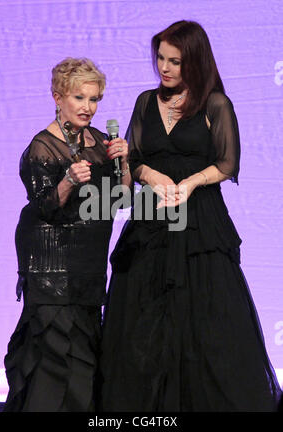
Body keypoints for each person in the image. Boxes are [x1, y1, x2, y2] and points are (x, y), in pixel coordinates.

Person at [99, 21, 282, 412]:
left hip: (199, 221)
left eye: (175, 61)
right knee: (141, 327)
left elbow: (228, 163)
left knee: (208, 327)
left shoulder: (215, 103)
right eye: (161, 59)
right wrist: (146, 172)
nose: (164, 68)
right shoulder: (146, 102)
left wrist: (192, 182)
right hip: (152, 222)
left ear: (194, 62)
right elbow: (135, 160)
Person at [3, 57, 131, 412]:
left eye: (94, 100)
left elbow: (119, 200)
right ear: (58, 97)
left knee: (84, 368)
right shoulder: (42, 147)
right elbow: (44, 205)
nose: (88, 107)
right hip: (50, 269)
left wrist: (125, 164)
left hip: (88, 268)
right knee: (53, 369)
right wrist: (69, 180)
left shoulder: (102, 141)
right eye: (79, 98)